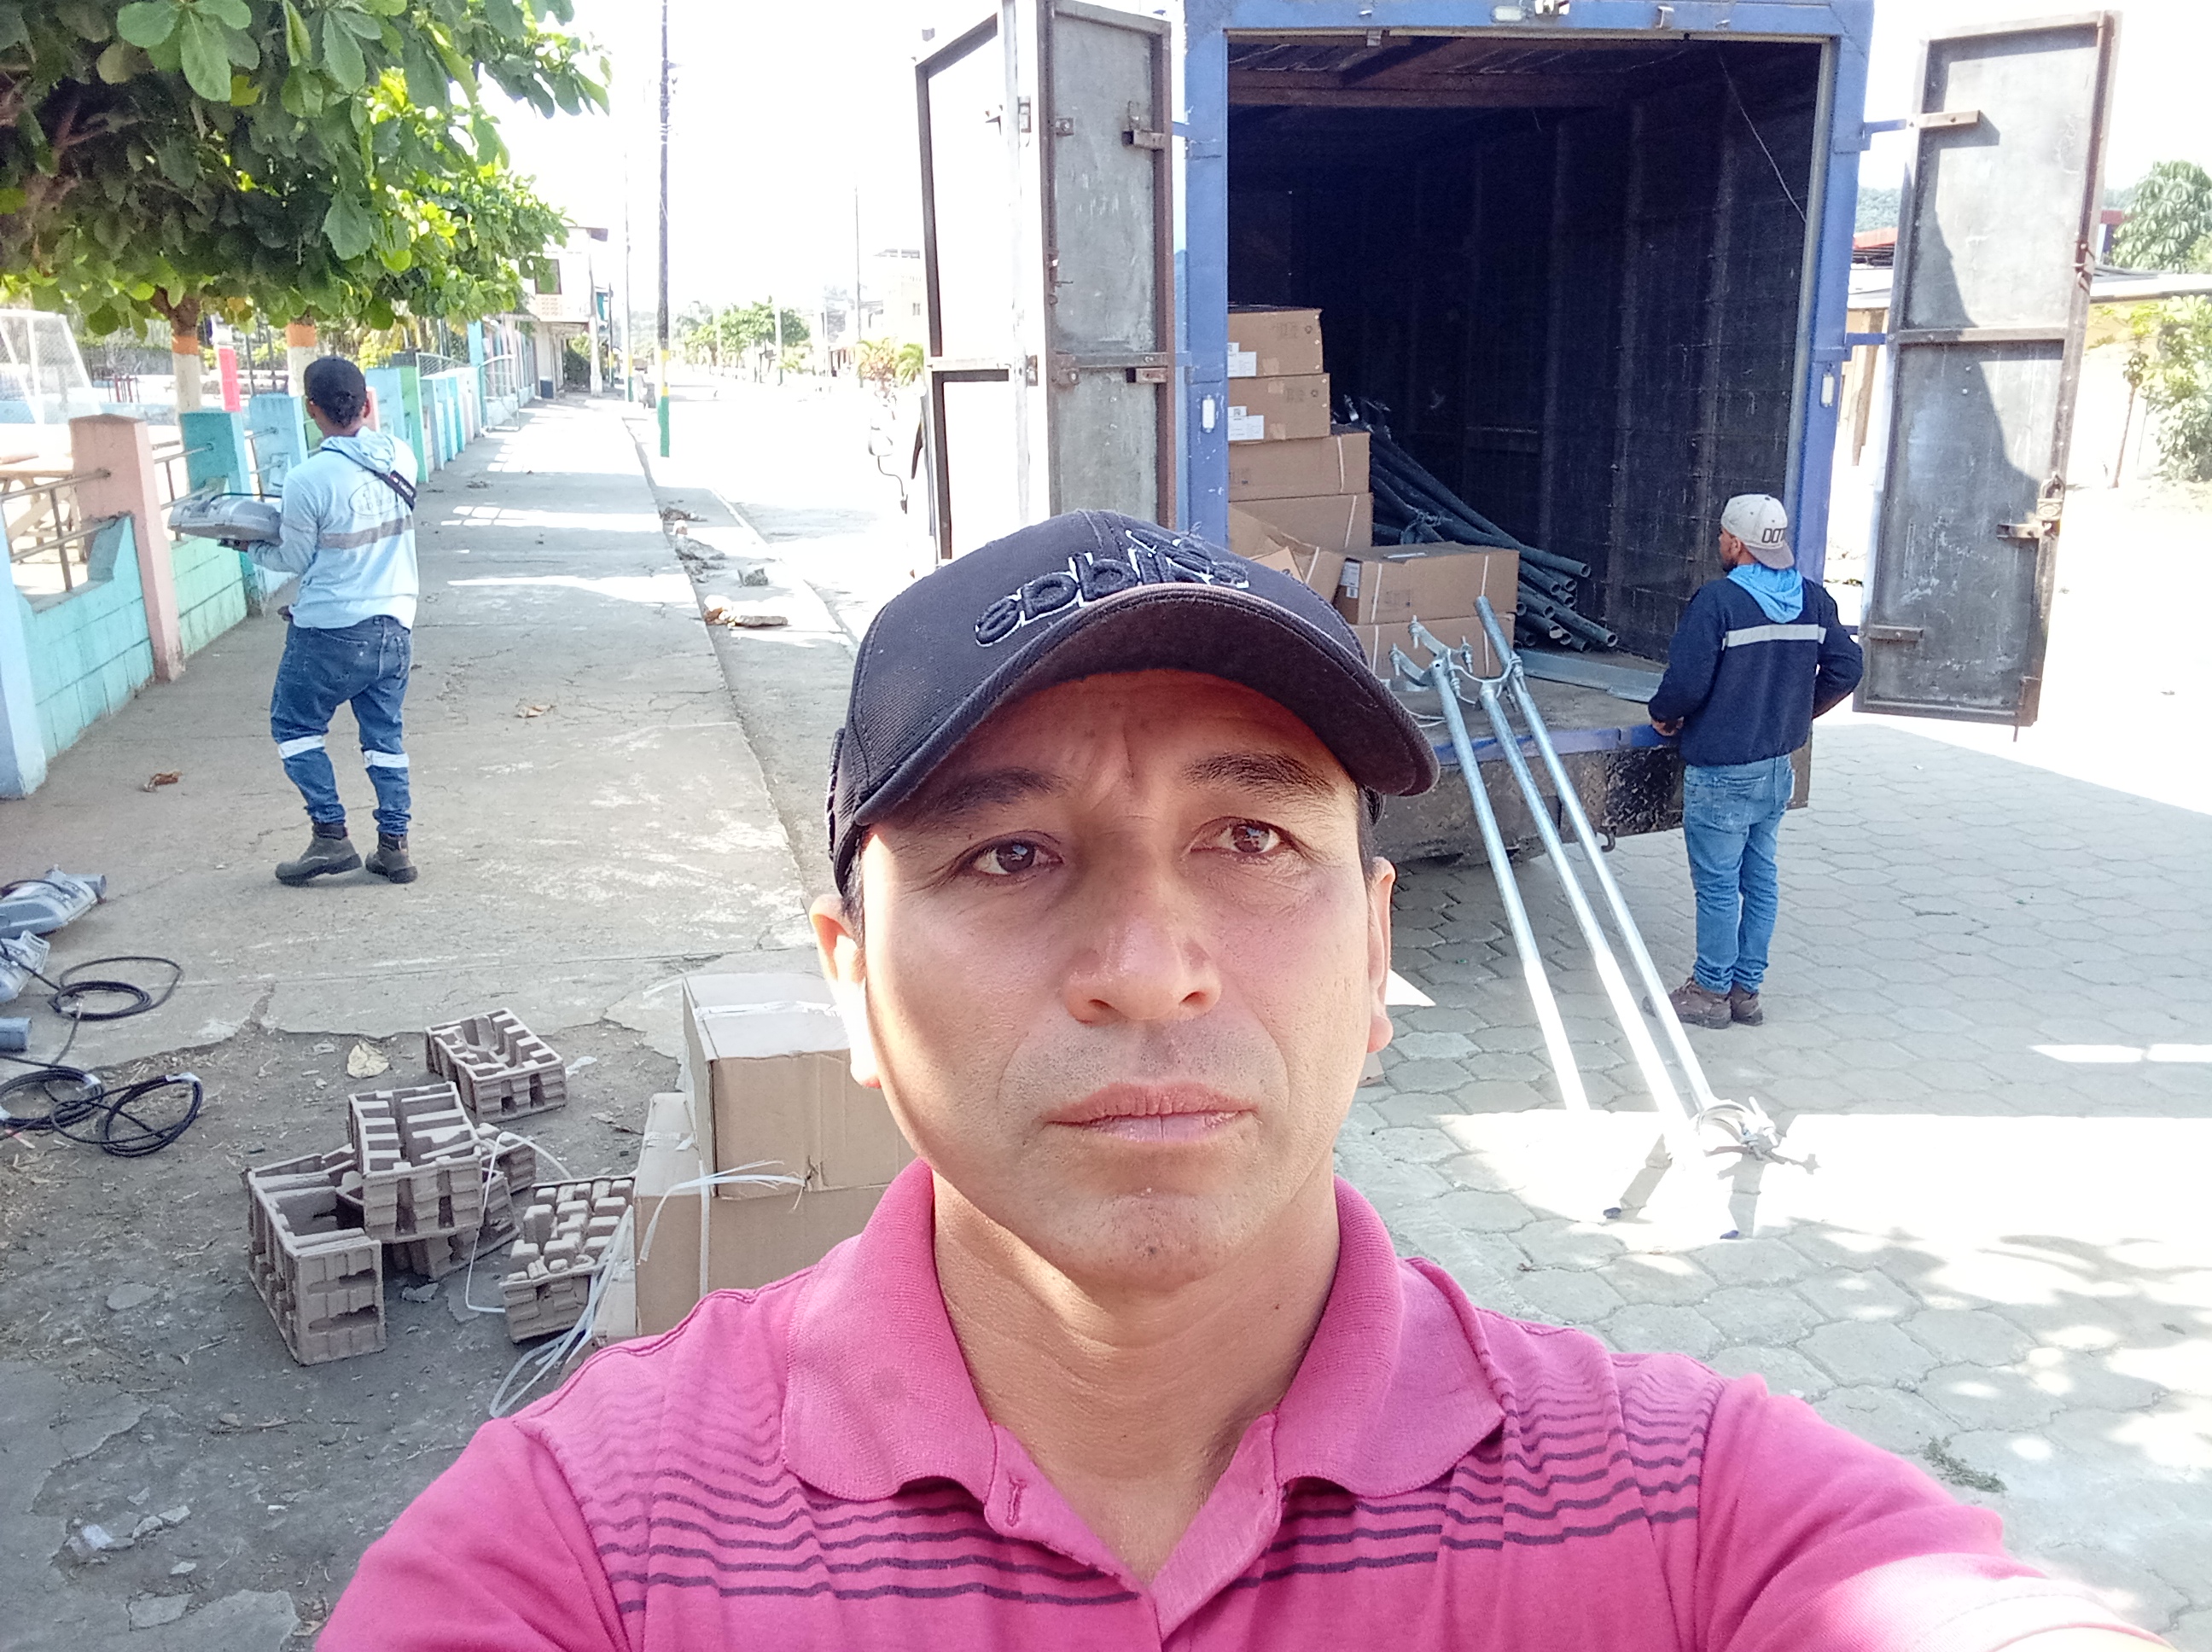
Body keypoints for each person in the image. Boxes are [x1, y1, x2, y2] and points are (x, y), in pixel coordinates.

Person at [322, 513, 2150, 1652]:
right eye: (1010, 855)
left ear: (1372, 957)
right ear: (853, 985)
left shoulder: (1692, 1509)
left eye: (1253, 835)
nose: (1150, 964)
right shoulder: (585, 1549)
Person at [1645, 493, 1863, 1030]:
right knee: (1759, 880)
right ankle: (1745, 992)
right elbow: (1847, 667)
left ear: (1738, 544)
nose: (1719, 542)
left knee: (1719, 886)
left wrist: (1664, 715)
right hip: (1774, 767)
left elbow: (1686, 684)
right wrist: (1797, 713)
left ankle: (1709, 991)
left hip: (1722, 773)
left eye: (1723, 536)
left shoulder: (1718, 602)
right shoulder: (1813, 600)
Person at [248, 356, 421, 887]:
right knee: (384, 738)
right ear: (368, 403)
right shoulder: (401, 456)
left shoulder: (308, 479)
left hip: (329, 632)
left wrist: (249, 546)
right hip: (395, 628)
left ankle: (330, 835)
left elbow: (295, 559)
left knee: (295, 727)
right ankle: (394, 847)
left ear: (311, 409)